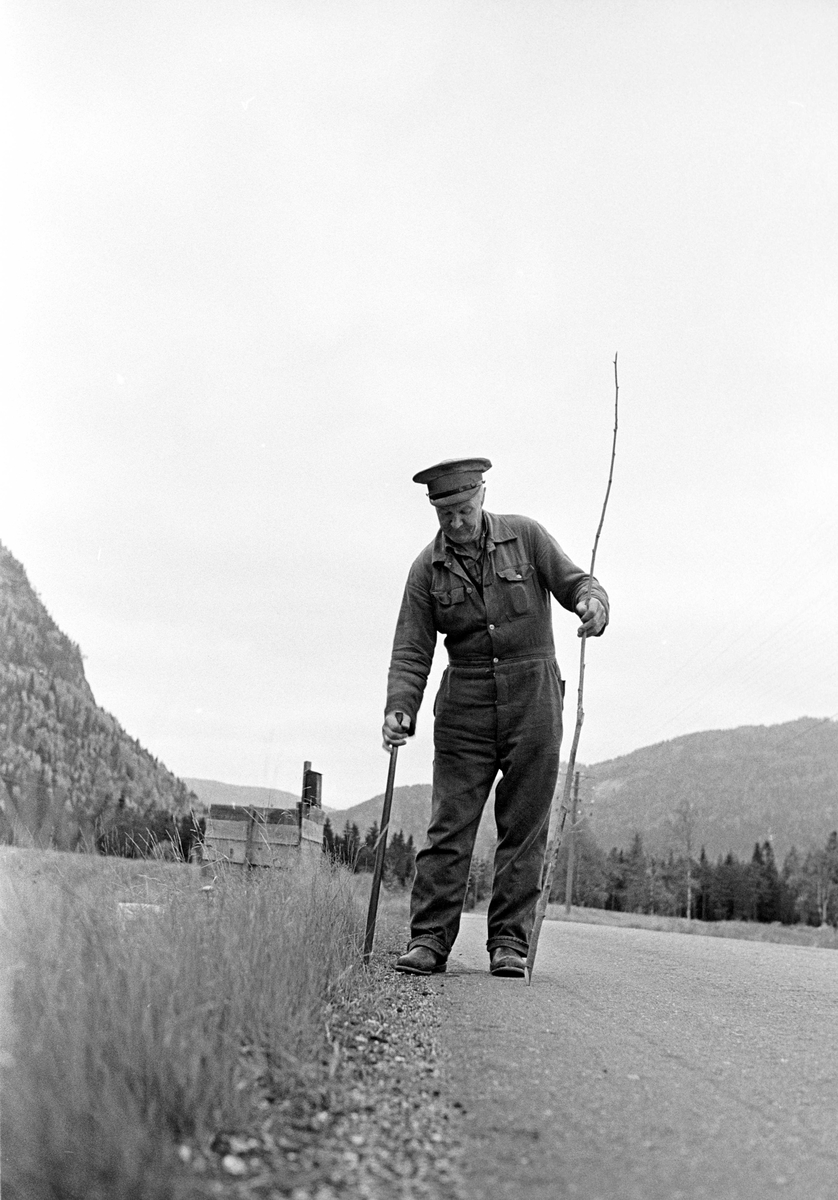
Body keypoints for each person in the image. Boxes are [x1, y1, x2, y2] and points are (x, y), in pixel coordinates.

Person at [383, 457, 608, 977]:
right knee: (449, 826)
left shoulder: (526, 537)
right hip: (464, 704)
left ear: (482, 495)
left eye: (463, 509)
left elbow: (577, 583)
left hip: (534, 697)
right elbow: (411, 649)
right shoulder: (425, 569)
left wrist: (593, 605)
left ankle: (509, 942)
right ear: (435, 511)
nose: (456, 522)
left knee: (524, 826)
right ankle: (429, 940)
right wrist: (400, 707)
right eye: (446, 515)